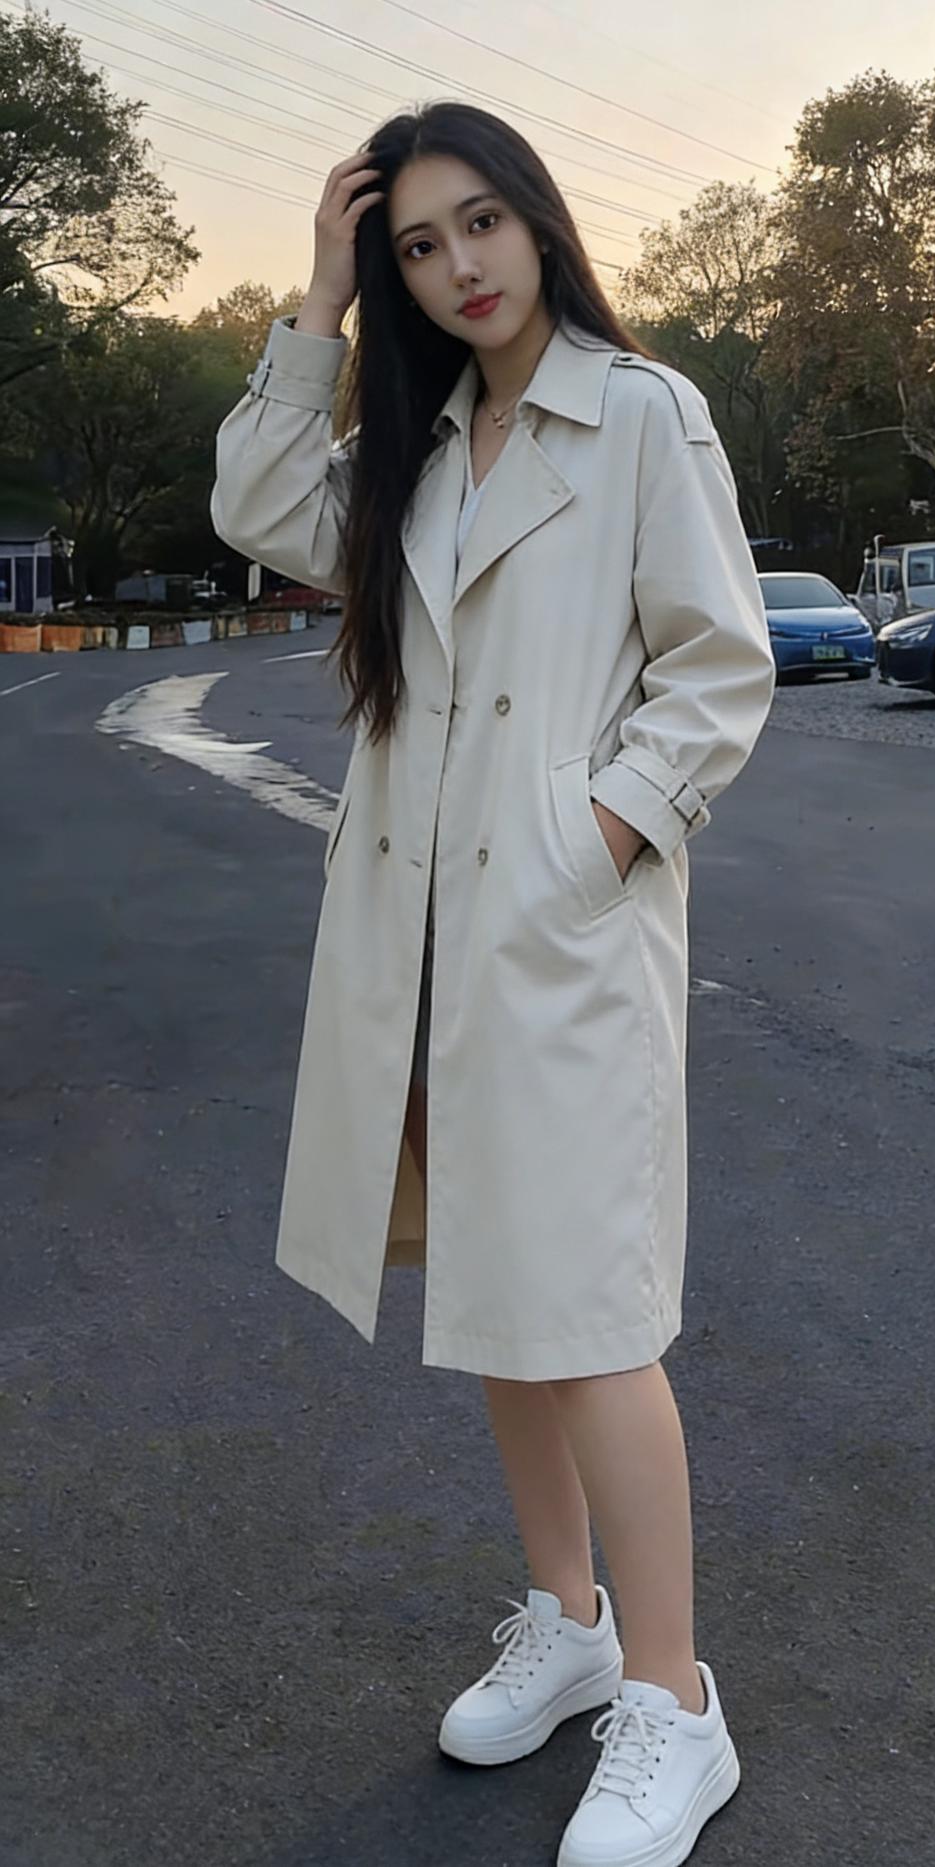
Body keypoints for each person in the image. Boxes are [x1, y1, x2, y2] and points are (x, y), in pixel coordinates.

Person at [210, 100, 775, 1867]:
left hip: (560, 936)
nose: (457, 266)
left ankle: (676, 1702)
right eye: (416, 246)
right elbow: (254, 504)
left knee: (593, 1320)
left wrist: (590, 841)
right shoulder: (422, 449)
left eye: (478, 223)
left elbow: (719, 668)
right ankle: (570, 1621)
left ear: (536, 219)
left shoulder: (644, 412)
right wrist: (316, 300)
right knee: (498, 1301)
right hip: (423, 940)